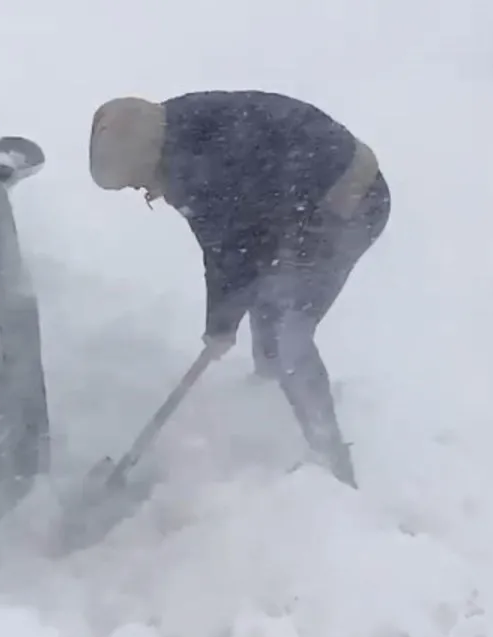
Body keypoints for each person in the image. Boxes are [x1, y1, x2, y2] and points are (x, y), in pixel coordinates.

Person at [87, 90, 392, 488]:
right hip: (298, 206)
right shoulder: (172, 134)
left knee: (288, 329)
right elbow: (228, 247)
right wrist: (222, 322)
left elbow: (233, 249)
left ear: (146, 158)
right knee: (268, 302)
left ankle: (329, 456)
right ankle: (269, 396)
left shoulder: (200, 165)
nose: (141, 190)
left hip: (350, 200)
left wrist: (221, 326)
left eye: (135, 181)